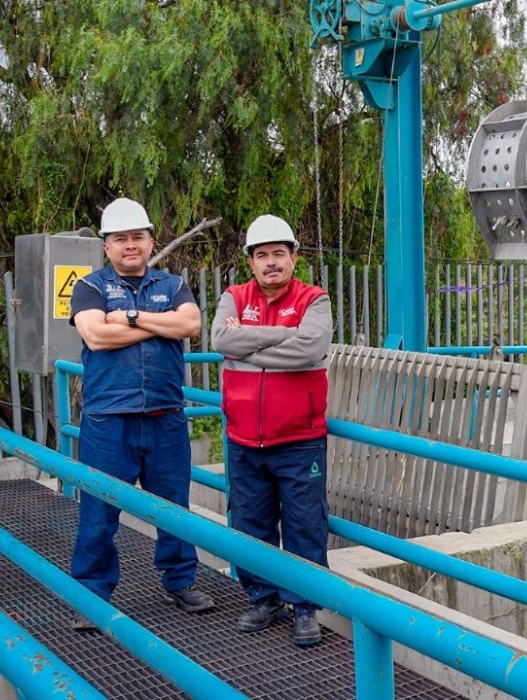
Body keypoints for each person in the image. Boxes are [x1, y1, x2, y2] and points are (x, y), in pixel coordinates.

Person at [68, 197, 213, 630]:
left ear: (151, 241)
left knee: (174, 507)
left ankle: (180, 579)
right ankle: (92, 595)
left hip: (166, 415)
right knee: (98, 511)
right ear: (106, 246)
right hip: (108, 420)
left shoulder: (174, 284)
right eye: (120, 239)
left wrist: (129, 316)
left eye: (138, 237)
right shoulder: (89, 287)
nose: (130, 245)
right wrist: (157, 321)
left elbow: (189, 325)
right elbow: (95, 336)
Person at [211, 214, 332, 647]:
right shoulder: (233, 296)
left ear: (294, 258)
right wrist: (281, 337)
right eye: (262, 255)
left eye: (279, 254)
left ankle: (304, 607)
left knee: (304, 526)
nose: (271, 263)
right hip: (244, 439)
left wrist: (250, 348)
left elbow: (311, 348)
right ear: (251, 262)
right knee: (250, 523)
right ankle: (263, 598)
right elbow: (222, 342)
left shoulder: (314, 299)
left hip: (299, 439)